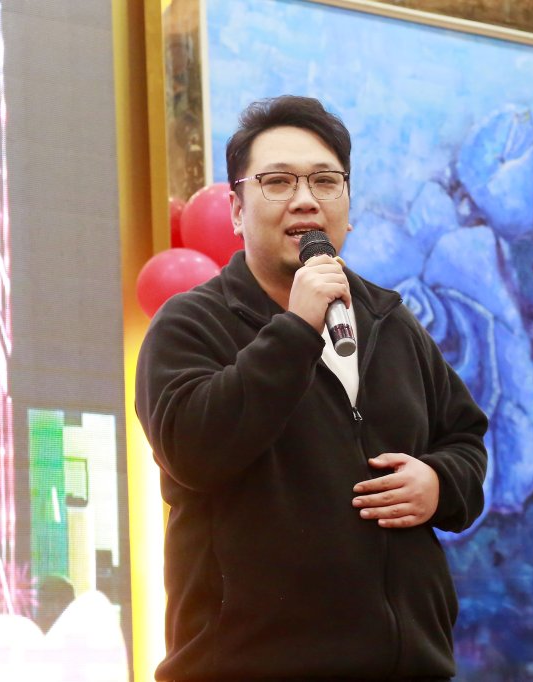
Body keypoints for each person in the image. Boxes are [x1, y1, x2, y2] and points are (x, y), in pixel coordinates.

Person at [136, 95, 489, 681]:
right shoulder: (189, 324)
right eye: (277, 182)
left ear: (347, 207)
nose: (305, 199)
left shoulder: (391, 322)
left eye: (325, 181)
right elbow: (192, 450)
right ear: (236, 211)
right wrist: (297, 328)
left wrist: (438, 483)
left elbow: (465, 439)